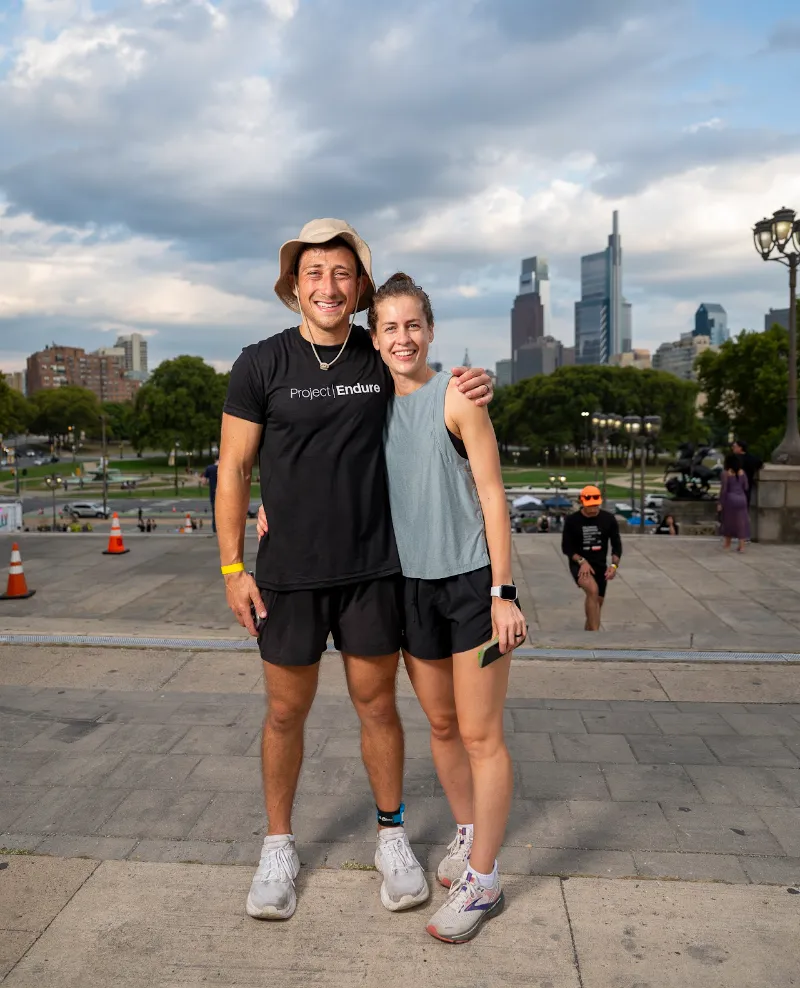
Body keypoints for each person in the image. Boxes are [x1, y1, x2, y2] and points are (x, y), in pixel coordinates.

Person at [216, 219, 493, 923]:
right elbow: (234, 470)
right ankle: (278, 845)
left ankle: (392, 836)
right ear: (294, 285)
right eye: (314, 273)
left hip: (373, 571)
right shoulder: (260, 364)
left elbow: (429, 379)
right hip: (285, 577)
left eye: (342, 274)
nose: (328, 286)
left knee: (378, 707)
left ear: (359, 287)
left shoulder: (379, 352)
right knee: (284, 712)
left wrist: (475, 377)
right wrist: (231, 567)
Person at [370, 272, 525, 942]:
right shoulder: (367, 403)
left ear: (429, 331)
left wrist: (504, 592)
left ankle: (483, 884)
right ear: (372, 338)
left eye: (413, 325)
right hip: (409, 587)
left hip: (470, 584)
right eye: (389, 327)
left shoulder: (458, 396)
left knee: (480, 734)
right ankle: (466, 835)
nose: (402, 338)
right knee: (439, 725)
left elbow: (493, 495)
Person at [561, 486, 622, 631]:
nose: (593, 509)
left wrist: (614, 566)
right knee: (592, 591)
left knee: (597, 603)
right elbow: (566, 548)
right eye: (590, 506)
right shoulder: (572, 520)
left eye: (596, 505)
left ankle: (587, 634)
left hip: (600, 564)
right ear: (582, 502)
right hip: (579, 563)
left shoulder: (608, 519)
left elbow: (616, 546)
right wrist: (582, 562)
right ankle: (596, 636)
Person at [718, 454, 750, 551]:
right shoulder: (742, 472)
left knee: (729, 521)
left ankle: (727, 544)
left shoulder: (725, 473)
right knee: (742, 521)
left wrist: (720, 503)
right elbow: (746, 487)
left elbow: (724, 489)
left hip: (730, 499)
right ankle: (742, 546)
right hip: (742, 498)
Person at [731, 440, 762, 507]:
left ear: (740, 448)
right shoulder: (752, 459)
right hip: (747, 488)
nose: (732, 448)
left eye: (734, 446)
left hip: (733, 489)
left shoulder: (733, 459)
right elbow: (760, 464)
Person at [201, 458, 219, 533]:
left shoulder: (209, 468)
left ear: (215, 459)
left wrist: (210, 483)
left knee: (215, 513)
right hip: (224, 494)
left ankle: (215, 529)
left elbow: (204, 482)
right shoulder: (224, 468)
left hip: (213, 493)